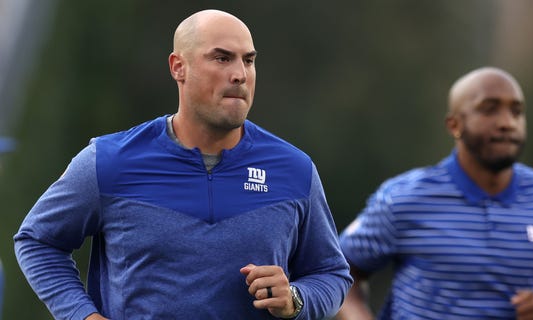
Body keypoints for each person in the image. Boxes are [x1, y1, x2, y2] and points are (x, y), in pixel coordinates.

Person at [14, 9, 352, 320]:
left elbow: (332, 273)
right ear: (179, 67)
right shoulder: (109, 161)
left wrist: (296, 298)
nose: (239, 74)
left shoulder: (294, 170)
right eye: (221, 58)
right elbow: (37, 241)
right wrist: (82, 316)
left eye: (248, 61)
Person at [336, 67, 533, 319]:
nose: (507, 123)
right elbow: (340, 271)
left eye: (516, 111)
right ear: (454, 124)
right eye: (489, 109)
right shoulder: (403, 198)